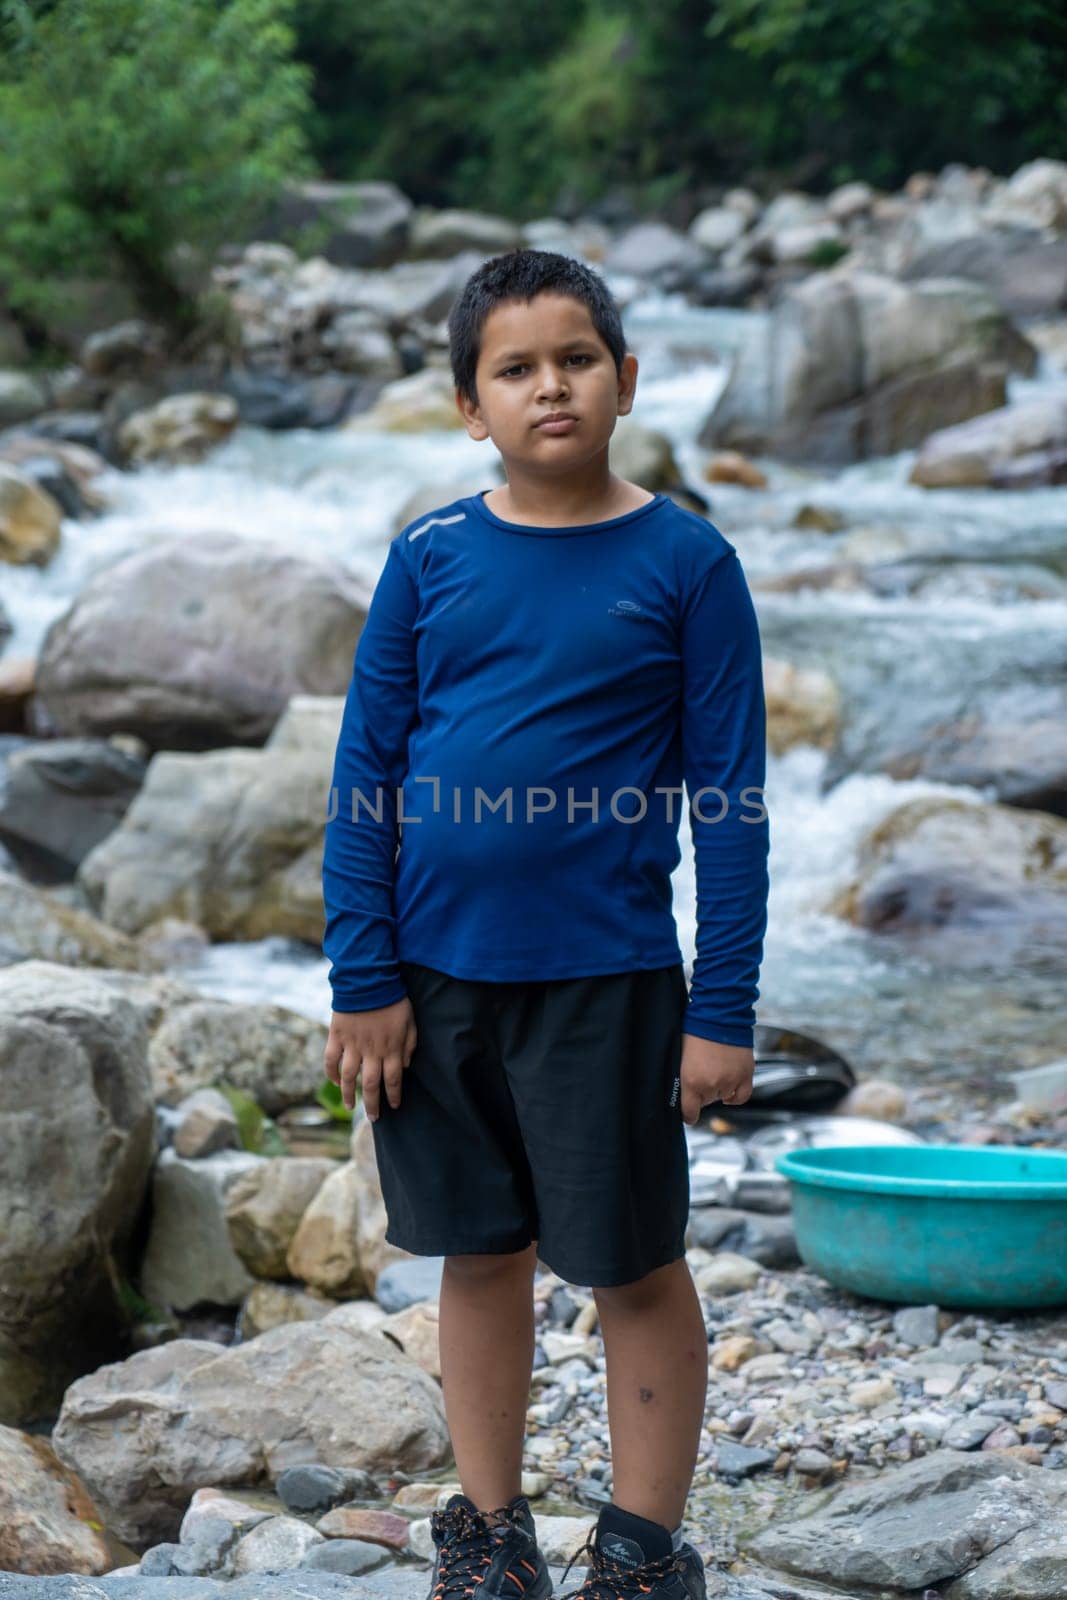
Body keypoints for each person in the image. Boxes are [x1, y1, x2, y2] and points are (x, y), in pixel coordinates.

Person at [322, 248, 770, 1600]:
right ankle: (490, 1530)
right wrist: (364, 974)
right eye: (513, 369)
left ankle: (640, 1550)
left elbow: (730, 804)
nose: (549, 386)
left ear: (627, 380)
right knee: (480, 1252)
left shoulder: (689, 562)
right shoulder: (430, 558)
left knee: (634, 1261)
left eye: (575, 359)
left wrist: (723, 1011)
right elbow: (367, 774)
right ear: (471, 407)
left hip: (608, 980)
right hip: (434, 977)